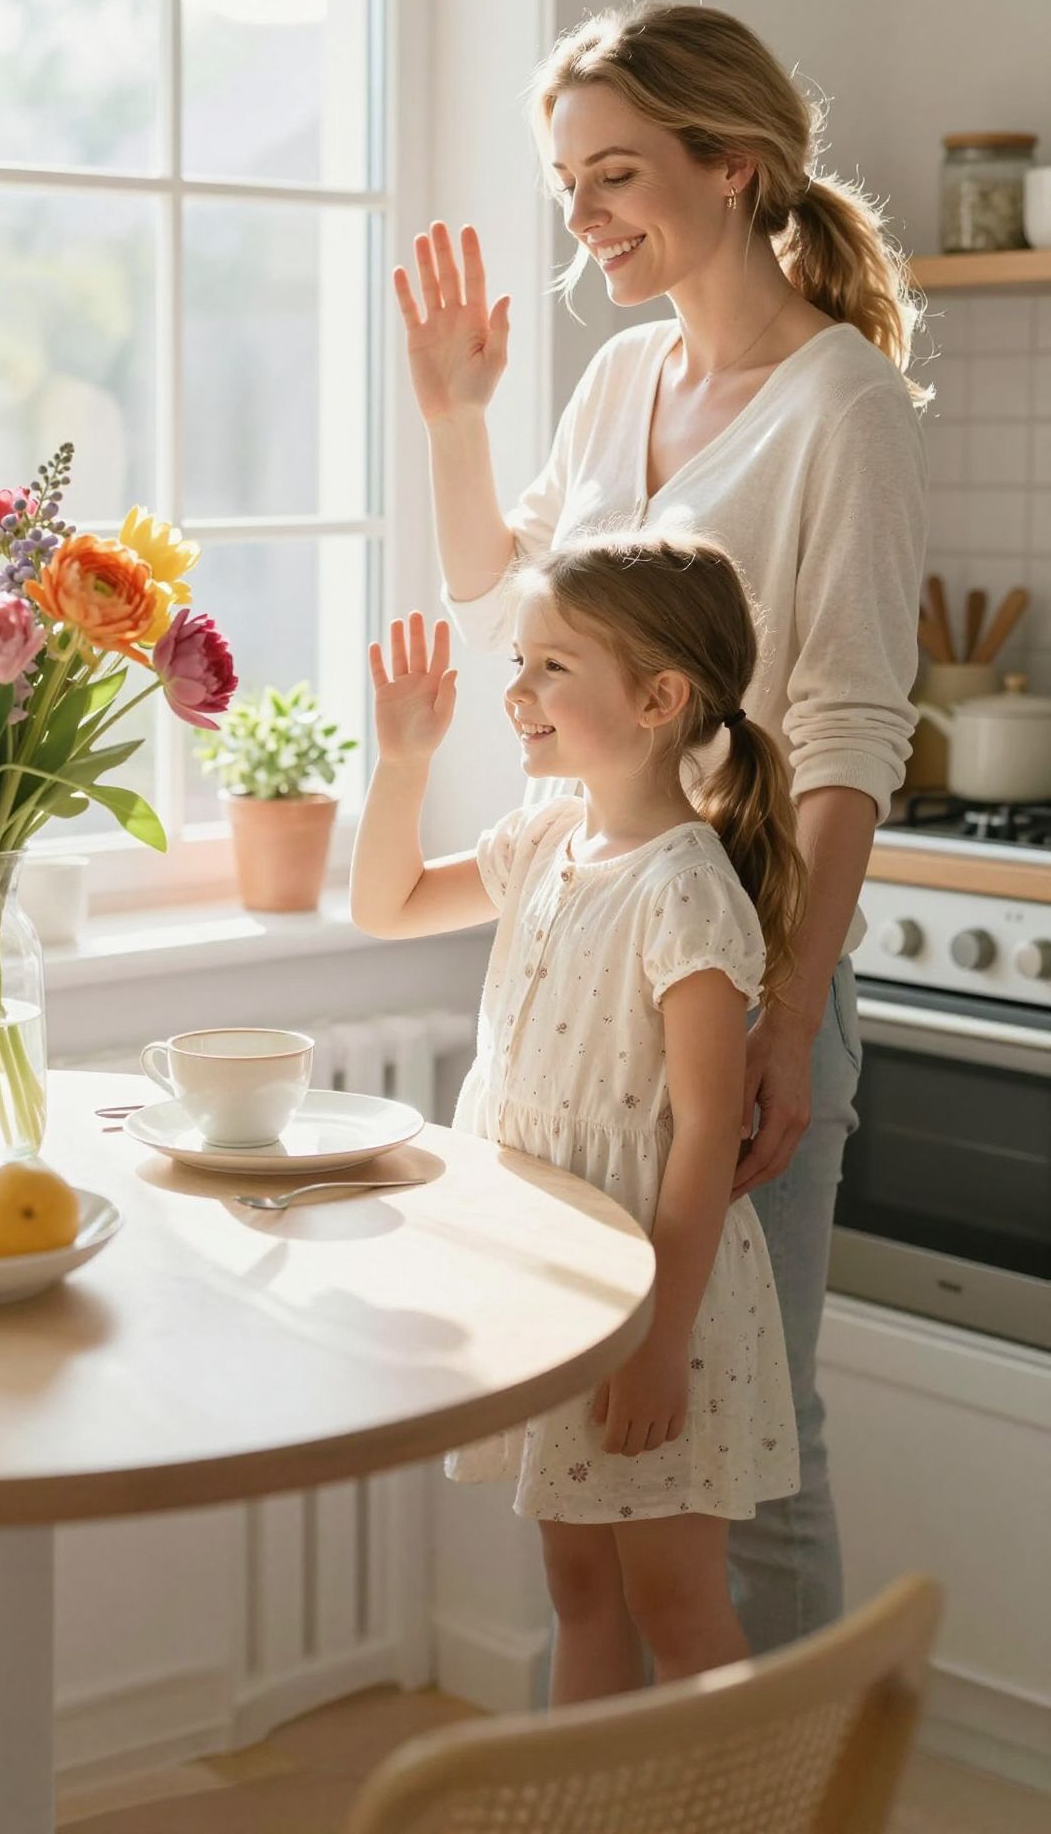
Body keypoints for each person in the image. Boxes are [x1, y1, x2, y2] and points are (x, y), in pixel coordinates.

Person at [392, 1, 929, 1652]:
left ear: (734, 166)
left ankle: (778, 1792)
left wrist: (785, 1006)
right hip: (595, 956)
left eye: (614, 175)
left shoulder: (838, 405)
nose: (584, 218)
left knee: (742, 1445)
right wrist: (453, 412)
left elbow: (846, 734)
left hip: (739, 967)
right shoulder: (623, 373)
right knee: (593, 1419)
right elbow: (502, 592)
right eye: (567, 183)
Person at [350, 532, 807, 1696]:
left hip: (657, 1307)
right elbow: (385, 906)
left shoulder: (688, 887)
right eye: (523, 659)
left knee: (678, 1602)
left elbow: (704, 1133)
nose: (518, 691)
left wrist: (656, 1344)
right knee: (579, 1589)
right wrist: (403, 759)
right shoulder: (549, 838)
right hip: (559, 1288)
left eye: (553, 666)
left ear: (659, 697)